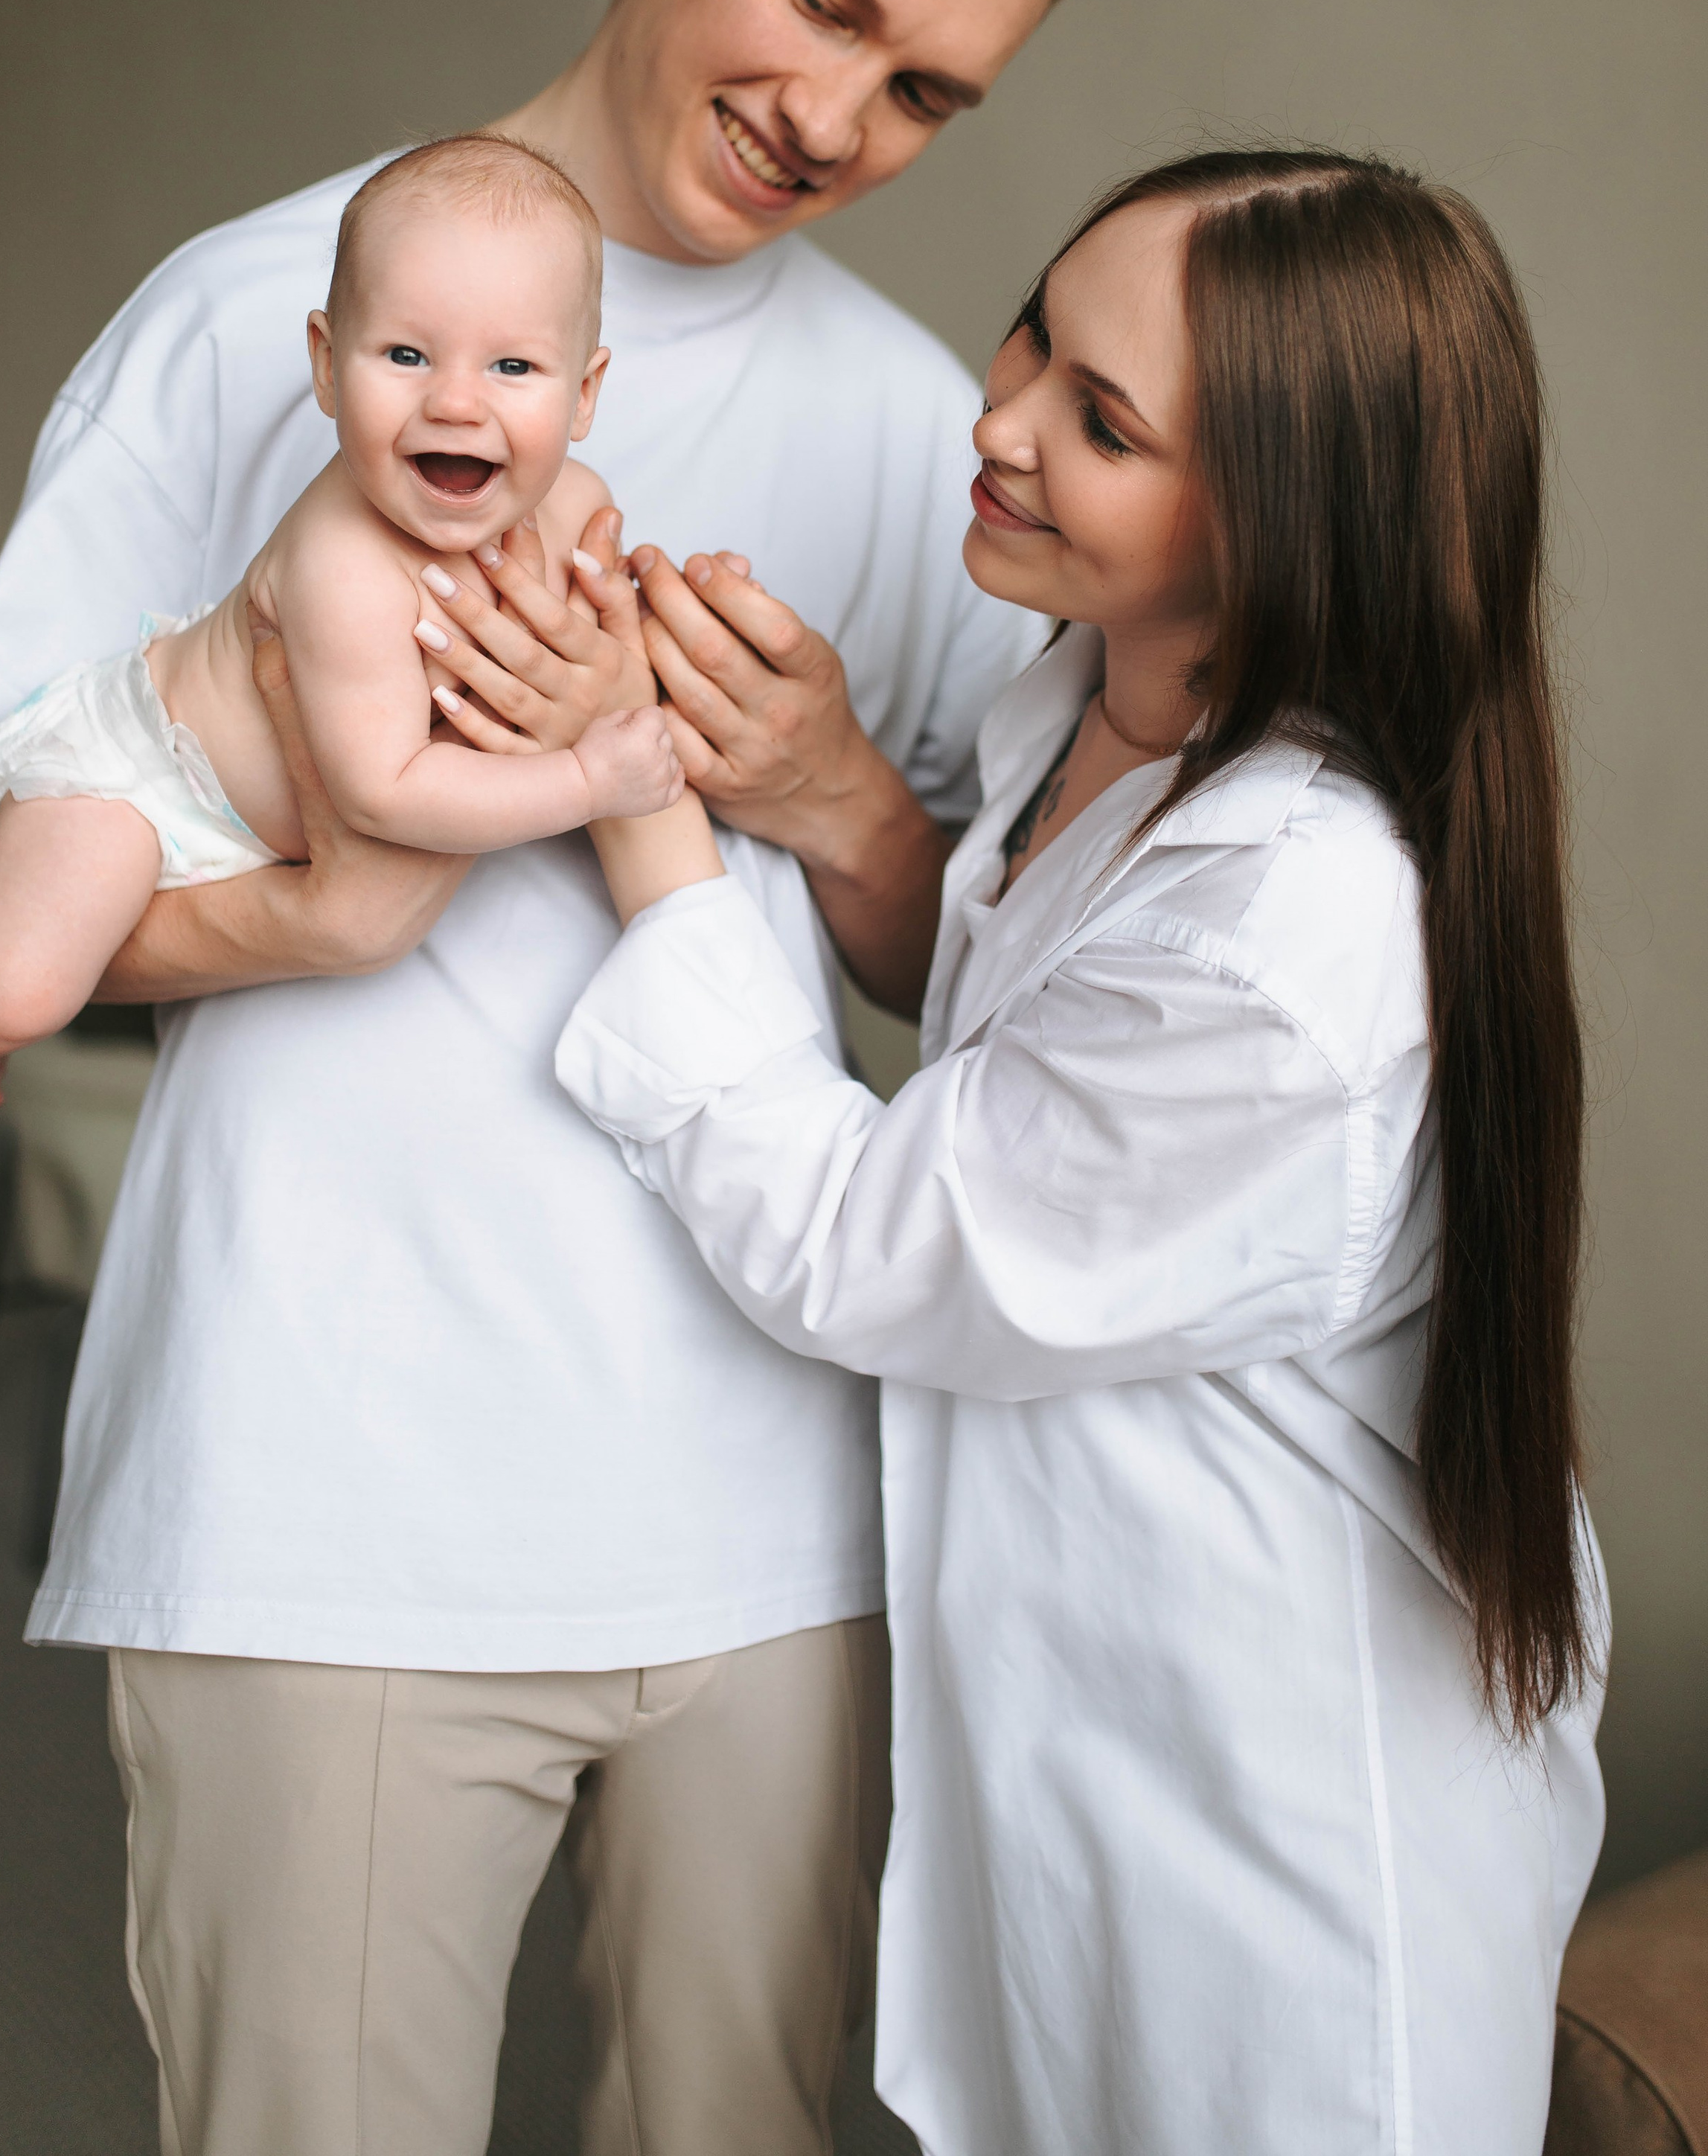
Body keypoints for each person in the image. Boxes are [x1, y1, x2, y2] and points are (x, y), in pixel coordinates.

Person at [0, 0, 1117, 2156]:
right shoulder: (253, 326)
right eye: (826, 4)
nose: (838, 117)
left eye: (928, 91)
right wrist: (320, 892)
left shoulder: (931, 436)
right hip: (317, 1483)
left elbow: (973, 986)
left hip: (765, 1501)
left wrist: (824, 780)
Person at [551, 149, 1608, 2156]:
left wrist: (640, 809)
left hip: (1277, 1820)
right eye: (1038, 326)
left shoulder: (1293, 929)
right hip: (1095, 1708)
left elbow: (877, 1235)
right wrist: (829, 785)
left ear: (1282, 522)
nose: (1001, 416)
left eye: (1099, 423)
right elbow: (1003, 1061)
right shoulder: (1084, 700)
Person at [0, 140, 679, 1210]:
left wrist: (651, 631)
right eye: (405, 355)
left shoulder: (576, 503)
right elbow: (384, 791)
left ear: (585, 390)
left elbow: (610, 639)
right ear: (324, 361)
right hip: (140, 778)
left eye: (513, 367)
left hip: (229, 812)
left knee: (20, 974)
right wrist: (591, 780)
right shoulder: (345, 568)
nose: (457, 403)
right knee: (12, 991)